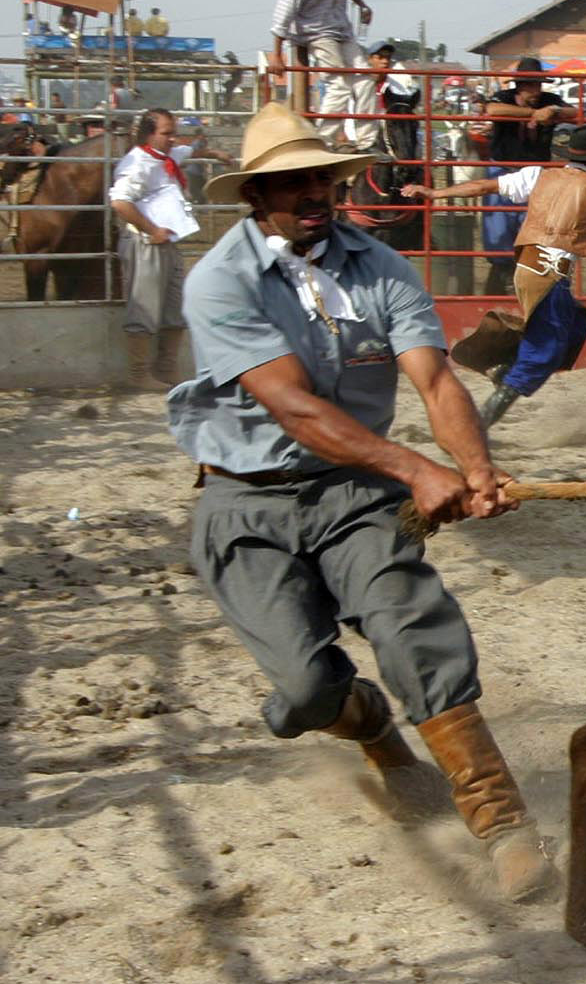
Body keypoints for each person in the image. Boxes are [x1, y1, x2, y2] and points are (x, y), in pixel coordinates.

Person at [167, 102, 555, 901]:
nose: (313, 192)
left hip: (353, 495)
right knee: (307, 690)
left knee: (411, 619)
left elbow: (435, 377)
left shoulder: (379, 266)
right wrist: (417, 469)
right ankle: (368, 723)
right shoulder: (219, 281)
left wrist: (476, 468)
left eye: (322, 177)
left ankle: (503, 823)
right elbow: (294, 408)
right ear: (254, 196)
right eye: (291, 182)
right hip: (244, 502)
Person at [401, 125, 586, 425]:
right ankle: (479, 422)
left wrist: (437, 192)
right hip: (550, 275)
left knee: (574, 325)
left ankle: (503, 370)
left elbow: (483, 187)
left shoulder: (538, 175)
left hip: (527, 269)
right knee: (544, 353)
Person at [109, 108, 226, 390]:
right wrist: (153, 230)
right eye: (166, 133)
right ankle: (140, 374)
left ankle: (166, 369)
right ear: (149, 134)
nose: (173, 138)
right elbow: (120, 202)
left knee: (174, 305)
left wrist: (214, 154)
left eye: (173, 132)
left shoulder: (164, 157)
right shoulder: (137, 163)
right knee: (145, 306)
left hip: (166, 239)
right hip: (146, 241)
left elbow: (188, 152)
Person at [270, 0, 375, 149]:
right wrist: (276, 52)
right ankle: (324, 141)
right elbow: (285, 8)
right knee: (339, 82)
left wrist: (361, 4)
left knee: (365, 77)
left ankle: (367, 141)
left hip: (340, 26)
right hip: (314, 29)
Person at [481, 58, 573, 296]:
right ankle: (503, 273)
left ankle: (522, 276)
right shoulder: (503, 98)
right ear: (519, 86)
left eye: (538, 85)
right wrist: (533, 113)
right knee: (499, 224)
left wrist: (554, 111)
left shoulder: (550, 101)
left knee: (533, 225)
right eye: (530, 85)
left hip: (535, 172)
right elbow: (492, 110)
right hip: (504, 167)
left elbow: (576, 112)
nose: (536, 90)